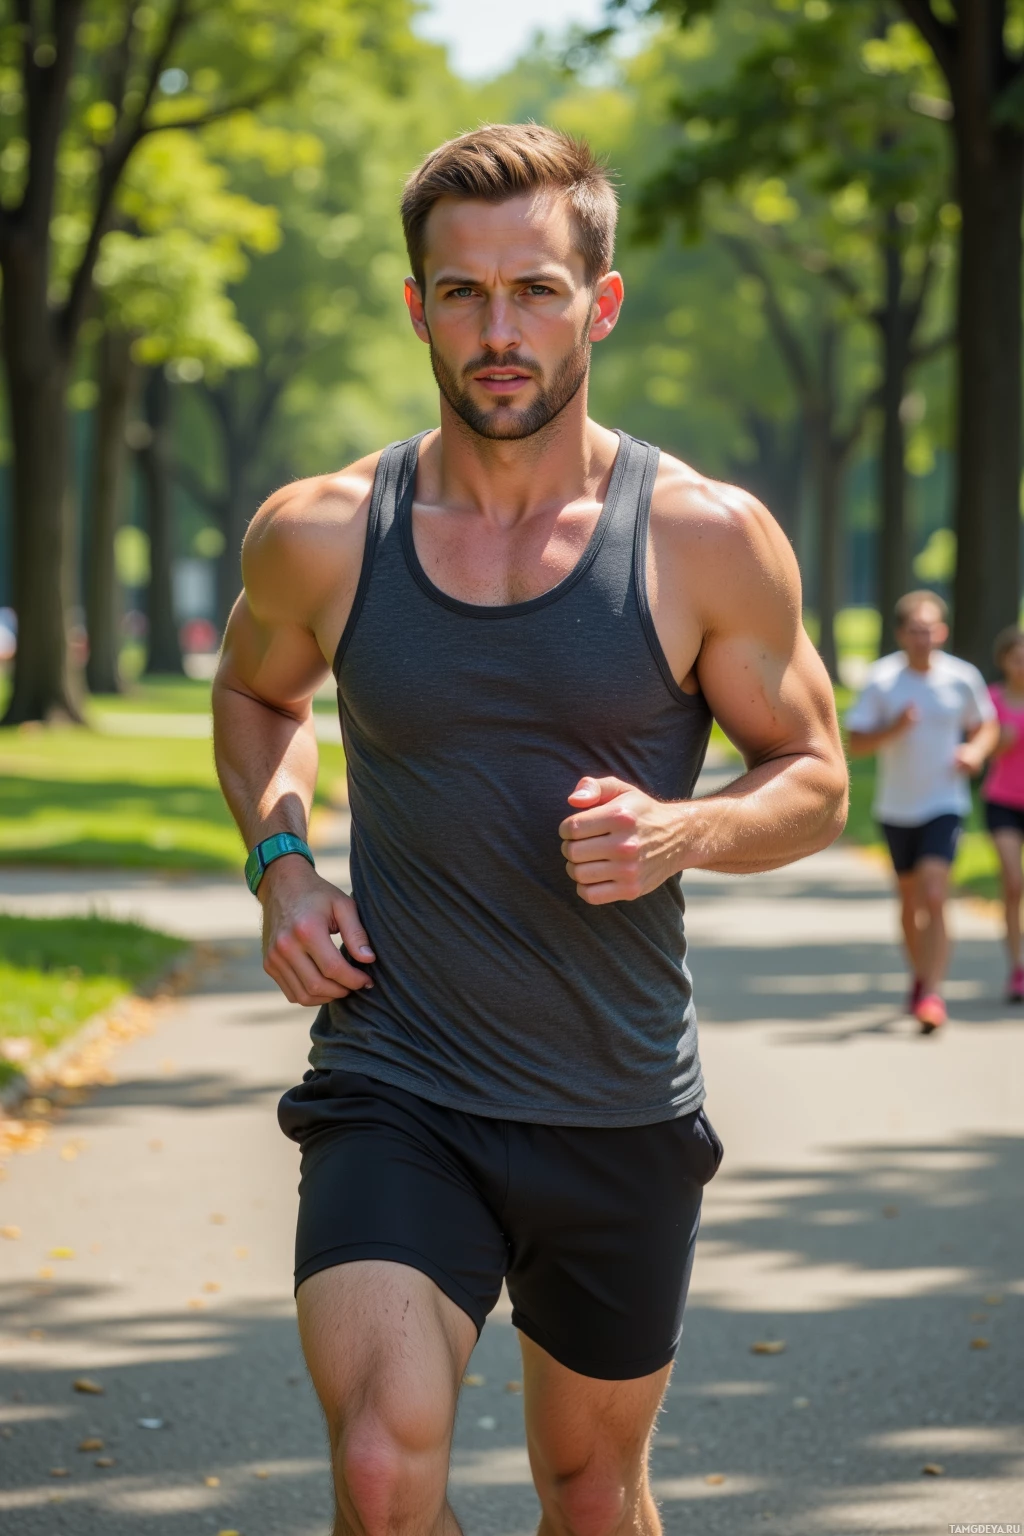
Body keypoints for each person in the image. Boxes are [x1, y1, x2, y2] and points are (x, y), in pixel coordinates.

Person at [212, 124, 847, 1536]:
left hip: (614, 1099)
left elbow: (813, 774)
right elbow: (256, 697)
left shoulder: (703, 537)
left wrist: (681, 833)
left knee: (590, 1494)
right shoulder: (322, 532)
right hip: (397, 1077)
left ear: (598, 303)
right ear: (417, 306)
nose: (499, 332)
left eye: (536, 292)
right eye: (463, 293)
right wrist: (283, 864)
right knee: (381, 1474)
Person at [846, 591, 999, 1033]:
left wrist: (975, 750)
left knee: (935, 894)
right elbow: (857, 743)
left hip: (944, 802)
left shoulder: (961, 678)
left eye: (930, 629)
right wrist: (894, 729)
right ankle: (919, 974)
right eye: (914, 630)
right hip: (896, 807)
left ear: (942, 631)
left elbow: (986, 724)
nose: (923, 637)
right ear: (901, 634)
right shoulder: (883, 679)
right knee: (909, 901)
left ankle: (932, 992)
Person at [982, 625, 1024, 1002]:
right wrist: (998, 744)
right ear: (1004, 662)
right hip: (1002, 802)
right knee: (1013, 882)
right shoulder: (991, 700)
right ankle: (1017, 967)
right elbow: (980, 747)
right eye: (1017, 660)